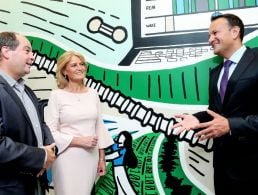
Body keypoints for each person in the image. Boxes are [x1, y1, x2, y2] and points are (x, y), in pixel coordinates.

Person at [172, 14, 258, 195]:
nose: (210, 39)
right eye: (209, 35)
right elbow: (216, 112)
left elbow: (227, 121)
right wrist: (196, 119)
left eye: (214, 33)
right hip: (223, 170)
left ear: (235, 32)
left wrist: (231, 125)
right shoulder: (216, 73)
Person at [45, 51, 114, 195]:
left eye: (82, 64)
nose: (80, 68)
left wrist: (102, 158)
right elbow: (50, 131)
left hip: (90, 157)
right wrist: (78, 141)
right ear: (64, 71)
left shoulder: (93, 93)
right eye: (74, 65)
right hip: (66, 157)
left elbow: (99, 126)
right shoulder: (56, 95)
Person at [0, 31, 56, 195]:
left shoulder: (28, 91)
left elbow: (41, 125)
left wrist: (49, 153)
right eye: (27, 51)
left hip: (35, 183)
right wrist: (40, 157)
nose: (33, 57)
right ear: (6, 52)